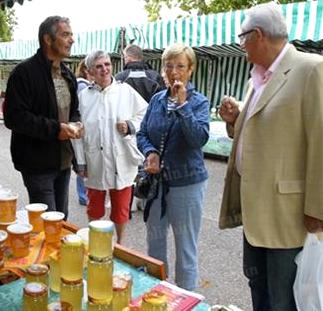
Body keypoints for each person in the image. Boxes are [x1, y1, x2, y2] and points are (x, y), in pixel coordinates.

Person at [218, 2, 323, 310]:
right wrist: (235, 118)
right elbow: (262, 130)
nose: (242, 46)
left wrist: (318, 207)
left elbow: (320, 140)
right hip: (257, 213)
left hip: (287, 217)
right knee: (260, 292)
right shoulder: (260, 77)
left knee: (283, 301)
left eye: (242, 38)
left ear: (258, 35)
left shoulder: (311, 68)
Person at [137, 43, 209, 291]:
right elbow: (143, 133)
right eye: (169, 66)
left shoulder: (198, 102)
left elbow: (198, 139)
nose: (174, 72)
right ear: (162, 69)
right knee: (154, 247)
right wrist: (150, 152)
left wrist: (182, 106)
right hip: (157, 185)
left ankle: (184, 300)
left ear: (190, 70)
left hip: (187, 185)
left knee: (185, 250)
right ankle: (156, 296)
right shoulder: (156, 100)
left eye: (180, 66)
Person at [4, 16, 81, 220]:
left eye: (71, 34)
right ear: (48, 39)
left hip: (63, 161)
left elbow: (75, 110)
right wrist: (57, 129)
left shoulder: (67, 75)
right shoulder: (24, 73)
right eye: (66, 34)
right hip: (37, 164)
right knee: (48, 223)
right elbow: (14, 117)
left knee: (61, 219)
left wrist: (75, 123)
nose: (72, 39)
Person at [72, 50, 148, 244]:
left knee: (121, 209)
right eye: (98, 66)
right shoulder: (84, 97)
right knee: (94, 208)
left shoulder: (125, 91)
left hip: (120, 160)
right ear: (89, 71)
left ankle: (120, 244)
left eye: (107, 64)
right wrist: (80, 162)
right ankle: (96, 243)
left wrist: (131, 125)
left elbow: (145, 115)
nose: (104, 69)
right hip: (94, 160)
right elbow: (77, 133)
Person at [74, 59, 92, 206]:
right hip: (82, 130)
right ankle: (83, 195)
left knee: (83, 162)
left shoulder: (80, 84)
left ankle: (84, 194)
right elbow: (82, 110)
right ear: (87, 70)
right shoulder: (82, 86)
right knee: (82, 162)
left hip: (82, 129)